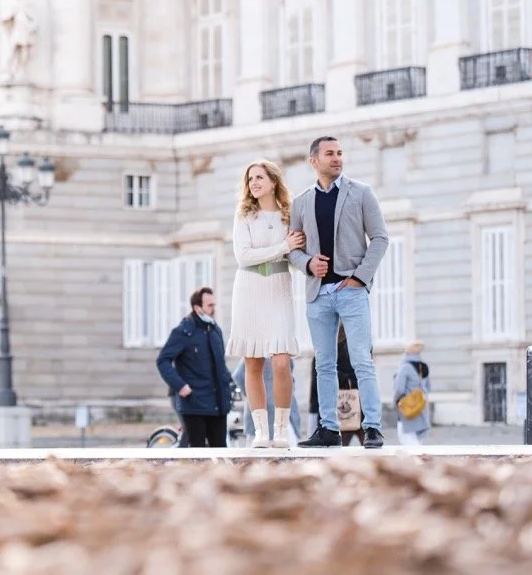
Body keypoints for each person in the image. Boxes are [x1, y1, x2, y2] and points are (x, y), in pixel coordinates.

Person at [289, 136, 389, 449]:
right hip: (318, 294)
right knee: (324, 365)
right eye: (329, 154)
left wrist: (360, 278)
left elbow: (380, 238)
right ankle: (328, 429)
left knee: (362, 360)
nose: (337, 158)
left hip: (351, 290)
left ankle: (372, 427)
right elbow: (292, 250)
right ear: (313, 160)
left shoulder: (361, 193)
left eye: (340, 153)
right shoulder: (301, 202)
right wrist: (307, 264)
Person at [229, 159, 302, 448]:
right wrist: (283, 248)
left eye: (259, 177)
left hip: (279, 288)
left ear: (274, 181)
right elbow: (243, 257)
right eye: (250, 179)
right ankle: (261, 432)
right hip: (248, 288)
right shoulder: (243, 215)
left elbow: (296, 258)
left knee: (282, 362)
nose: (254, 183)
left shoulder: (289, 214)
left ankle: (282, 430)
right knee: (253, 361)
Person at [155, 288, 234, 448]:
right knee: (197, 454)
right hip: (194, 404)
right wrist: (180, 386)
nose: (214, 309)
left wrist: (230, 385)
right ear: (197, 308)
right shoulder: (183, 332)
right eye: (210, 305)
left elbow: (220, 365)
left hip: (218, 404)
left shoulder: (215, 331)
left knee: (220, 451)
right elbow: (163, 360)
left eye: (214, 305)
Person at [309, 326, 364, 446]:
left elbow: (315, 383)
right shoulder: (357, 349)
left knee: (337, 449)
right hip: (359, 405)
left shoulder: (323, 351)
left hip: (335, 407)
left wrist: (313, 407)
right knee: (368, 447)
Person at [235, 358, 303, 447]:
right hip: (264, 412)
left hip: (282, 414)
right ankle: (266, 433)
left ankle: (277, 432)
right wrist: (252, 395)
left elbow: (238, 376)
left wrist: (249, 395)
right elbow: (239, 376)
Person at [394, 340, 432, 446]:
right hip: (421, 407)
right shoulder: (424, 367)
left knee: (406, 439)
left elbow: (399, 388)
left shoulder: (404, 367)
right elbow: (428, 387)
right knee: (417, 441)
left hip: (407, 407)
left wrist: (397, 402)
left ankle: (415, 462)